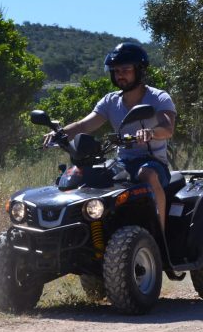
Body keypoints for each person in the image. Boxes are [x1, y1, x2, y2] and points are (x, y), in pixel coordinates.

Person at [43, 42, 176, 232]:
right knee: (84, 177)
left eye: (126, 69)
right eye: (116, 70)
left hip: (153, 162)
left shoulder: (158, 98)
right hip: (122, 163)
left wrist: (151, 133)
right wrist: (59, 134)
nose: (120, 74)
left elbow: (167, 128)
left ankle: (159, 234)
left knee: (147, 175)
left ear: (139, 70)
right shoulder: (110, 101)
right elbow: (84, 125)